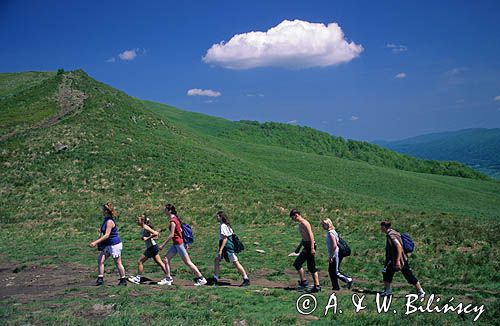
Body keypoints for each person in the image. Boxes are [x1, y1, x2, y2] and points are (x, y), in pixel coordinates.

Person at [158, 204, 207, 286]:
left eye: (165, 209)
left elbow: (172, 235)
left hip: (179, 244)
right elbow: (180, 230)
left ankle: (201, 278)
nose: (164, 211)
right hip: (177, 244)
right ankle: (168, 278)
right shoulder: (176, 219)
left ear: (169, 211)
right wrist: (185, 243)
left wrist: (163, 245)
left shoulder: (173, 221)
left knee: (188, 262)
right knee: (166, 259)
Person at [380, 221, 425, 298]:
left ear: (385, 227)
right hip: (395, 259)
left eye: (381, 226)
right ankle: (387, 291)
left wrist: (397, 261)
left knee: (408, 275)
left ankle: (420, 291)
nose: (380, 228)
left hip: (398, 260)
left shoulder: (391, 235)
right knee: (387, 273)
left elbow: (399, 246)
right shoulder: (393, 233)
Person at [89, 202, 127, 286]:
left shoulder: (109, 221)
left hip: (114, 244)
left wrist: (95, 242)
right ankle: (100, 278)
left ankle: (123, 279)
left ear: (106, 211)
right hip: (108, 244)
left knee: (118, 262)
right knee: (100, 260)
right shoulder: (106, 220)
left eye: (103, 210)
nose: (101, 211)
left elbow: (107, 235)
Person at [128, 215, 172, 285]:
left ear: (142, 221)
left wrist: (147, 238)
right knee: (160, 262)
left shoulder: (145, 227)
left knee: (140, 261)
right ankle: (168, 277)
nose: (137, 221)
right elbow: (156, 235)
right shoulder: (144, 227)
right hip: (153, 247)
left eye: (138, 220)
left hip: (152, 248)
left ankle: (137, 278)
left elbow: (156, 234)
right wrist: (148, 238)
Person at [213, 211, 250, 286]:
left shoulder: (223, 226)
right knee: (217, 260)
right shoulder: (227, 225)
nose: (216, 218)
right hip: (227, 245)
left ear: (220, 217)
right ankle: (215, 278)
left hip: (227, 246)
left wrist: (220, 250)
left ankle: (246, 279)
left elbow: (225, 238)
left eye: (217, 216)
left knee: (235, 262)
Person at [289, 209, 321, 293]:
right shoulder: (300, 224)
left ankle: (310, 284)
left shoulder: (305, 223)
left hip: (309, 246)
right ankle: (311, 284)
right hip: (306, 245)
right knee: (303, 265)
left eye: (293, 218)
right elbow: (304, 238)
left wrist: (312, 248)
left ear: (296, 215)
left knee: (307, 265)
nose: (293, 220)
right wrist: (298, 248)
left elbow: (311, 235)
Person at [322, 218, 353, 290]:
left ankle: (348, 280)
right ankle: (335, 286)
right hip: (334, 253)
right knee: (331, 271)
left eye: (324, 224)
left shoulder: (331, 233)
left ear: (328, 224)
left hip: (335, 254)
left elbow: (334, 245)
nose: (322, 226)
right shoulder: (332, 232)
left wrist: (331, 256)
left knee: (335, 271)